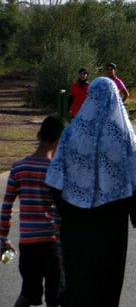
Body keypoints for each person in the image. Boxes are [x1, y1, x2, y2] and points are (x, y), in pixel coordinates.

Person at [45, 77, 136, 307]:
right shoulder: (123, 136)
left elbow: (54, 180)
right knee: (108, 284)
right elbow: (135, 178)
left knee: (79, 282)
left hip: (76, 221)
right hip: (112, 222)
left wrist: (65, 208)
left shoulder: (72, 134)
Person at [1, 115, 67, 307]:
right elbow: (58, 213)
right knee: (55, 299)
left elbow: (6, 208)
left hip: (27, 244)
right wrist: (62, 250)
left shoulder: (18, 168)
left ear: (38, 136)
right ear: (59, 141)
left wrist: (3, 240)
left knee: (28, 293)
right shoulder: (54, 170)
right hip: (51, 245)